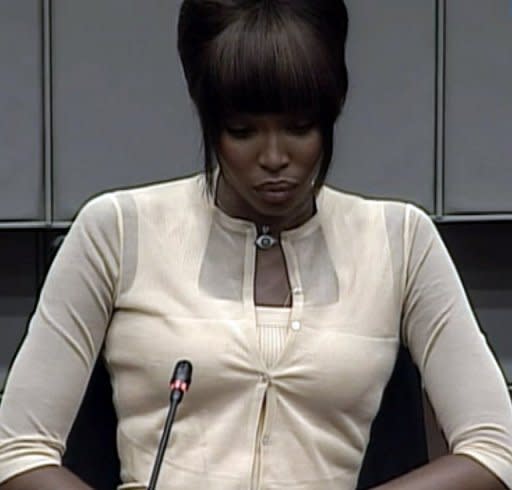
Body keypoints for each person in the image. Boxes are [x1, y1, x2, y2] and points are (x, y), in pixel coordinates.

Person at [1, 1, 511, 489]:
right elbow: (17, 450)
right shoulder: (116, 230)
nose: (273, 157)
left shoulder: (400, 240)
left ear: (331, 115)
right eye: (243, 132)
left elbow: (495, 447)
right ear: (210, 125)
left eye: (299, 128)